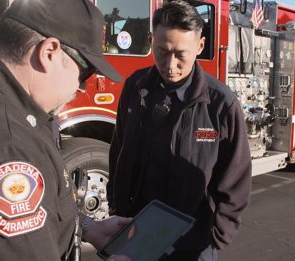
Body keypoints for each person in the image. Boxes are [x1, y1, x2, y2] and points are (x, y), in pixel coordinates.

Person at [0, 0, 130, 260]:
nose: (81, 87)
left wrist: (86, 227)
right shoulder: (5, 147)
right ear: (49, 52)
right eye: (85, 71)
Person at [108, 0, 252, 260]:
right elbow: (118, 150)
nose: (170, 64)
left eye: (180, 54)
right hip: (136, 233)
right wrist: (116, 210)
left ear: (199, 46)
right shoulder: (134, 87)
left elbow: (236, 179)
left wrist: (216, 237)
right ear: (151, 40)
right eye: (162, 51)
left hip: (192, 245)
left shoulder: (220, 104)